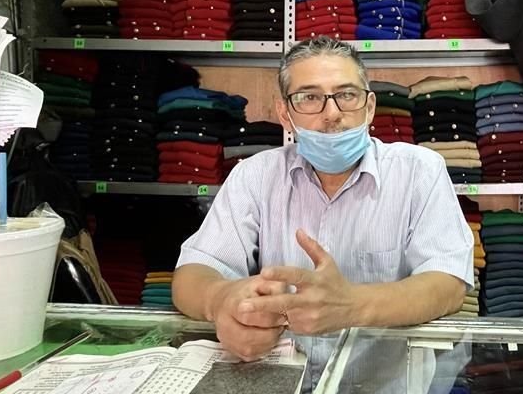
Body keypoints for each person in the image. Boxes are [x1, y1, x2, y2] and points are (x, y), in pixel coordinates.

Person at [172, 36, 474, 364]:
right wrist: (223, 299)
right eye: (309, 97)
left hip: (382, 391)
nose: (331, 113)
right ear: (285, 113)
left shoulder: (420, 171)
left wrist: (352, 305)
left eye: (346, 95)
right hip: (280, 385)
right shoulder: (255, 175)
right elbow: (193, 272)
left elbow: (448, 284)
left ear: (370, 107)